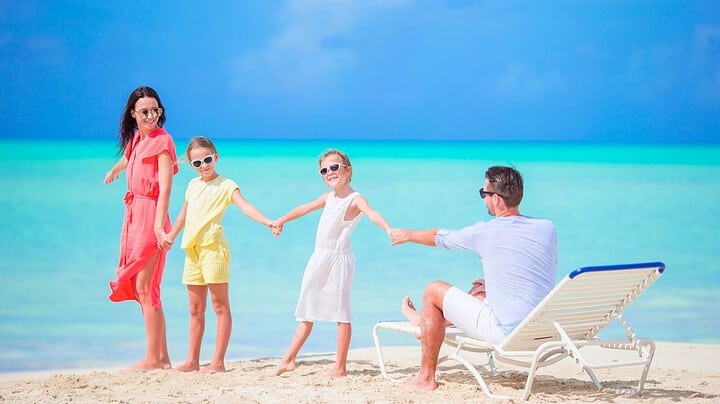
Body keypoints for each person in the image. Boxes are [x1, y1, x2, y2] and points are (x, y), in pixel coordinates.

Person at [389, 165, 558, 391]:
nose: (483, 199)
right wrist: (496, 284)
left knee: (433, 290)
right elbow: (537, 271)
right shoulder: (547, 228)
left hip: (506, 332)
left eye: (484, 193)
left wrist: (407, 235)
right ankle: (420, 320)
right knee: (480, 294)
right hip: (543, 331)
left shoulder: (484, 233)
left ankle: (426, 377)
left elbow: (440, 237)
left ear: (497, 199)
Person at [270, 149, 392, 378]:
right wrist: (281, 220)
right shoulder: (328, 198)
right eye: (324, 170)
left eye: (334, 167)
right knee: (306, 309)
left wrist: (388, 230)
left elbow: (371, 213)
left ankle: (340, 367)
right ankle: (288, 360)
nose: (329, 173)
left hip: (339, 260)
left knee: (341, 313)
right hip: (319, 258)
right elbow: (304, 208)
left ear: (348, 170)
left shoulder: (355, 199)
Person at [164, 136, 275, 373]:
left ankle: (218, 362)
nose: (204, 166)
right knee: (194, 309)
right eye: (197, 163)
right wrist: (171, 236)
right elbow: (184, 214)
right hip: (192, 252)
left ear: (216, 157)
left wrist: (268, 222)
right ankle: (192, 361)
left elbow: (245, 207)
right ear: (191, 165)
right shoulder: (193, 186)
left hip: (214, 250)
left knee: (220, 306)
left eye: (207, 159)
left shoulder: (227, 185)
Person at [103, 86, 178, 370]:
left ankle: (152, 359)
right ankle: (162, 357)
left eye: (154, 110)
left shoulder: (163, 142)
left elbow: (167, 187)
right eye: (144, 111)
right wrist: (115, 170)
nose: (150, 116)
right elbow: (127, 159)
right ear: (133, 113)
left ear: (160, 111)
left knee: (147, 286)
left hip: (152, 214)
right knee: (145, 288)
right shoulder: (136, 139)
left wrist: (159, 226)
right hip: (134, 215)